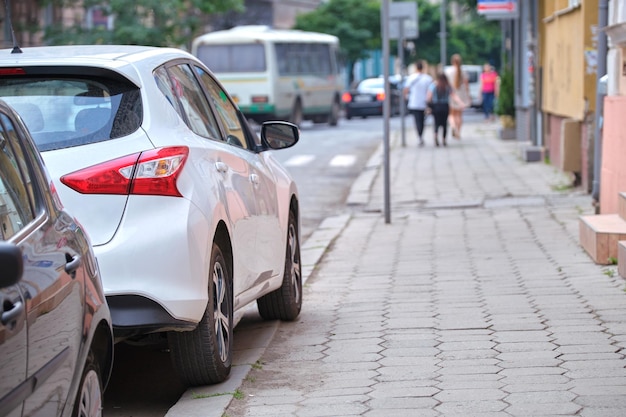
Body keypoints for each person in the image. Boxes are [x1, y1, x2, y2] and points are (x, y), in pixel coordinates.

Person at [426, 73, 466, 147]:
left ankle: (435, 135)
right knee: (444, 123)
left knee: (436, 123)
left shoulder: (433, 86)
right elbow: (454, 96)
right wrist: (461, 103)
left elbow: (429, 96)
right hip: (445, 106)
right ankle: (444, 140)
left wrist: (428, 106)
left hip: (436, 106)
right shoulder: (447, 86)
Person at [404, 60, 433, 147]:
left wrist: (405, 97)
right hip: (424, 102)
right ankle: (421, 135)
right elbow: (431, 90)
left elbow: (406, 89)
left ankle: (419, 136)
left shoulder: (411, 78)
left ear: (416, 67)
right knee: (422, 120)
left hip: (414, 102)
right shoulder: (428, 78)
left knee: (417, 120)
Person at [445, 54, 470, 139]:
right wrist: (468, 96)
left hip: (452, 94)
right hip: (461, 95)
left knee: (451, 114)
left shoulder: (448, 71)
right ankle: (458, 132)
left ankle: (453, 126)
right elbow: (466, 85)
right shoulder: (463, 71)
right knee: (459, 115)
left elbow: (446, 84)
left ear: (452, 61)